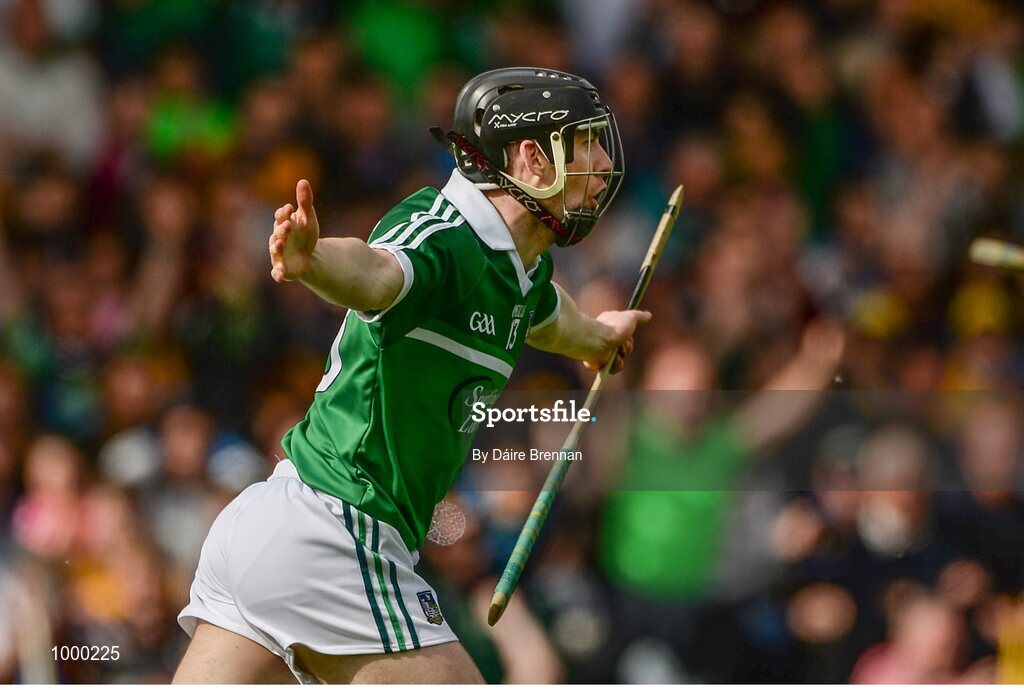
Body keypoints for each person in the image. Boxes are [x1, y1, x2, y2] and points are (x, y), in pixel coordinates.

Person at [173, 67, 648, 683]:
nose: (604, 165)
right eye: (585, 144)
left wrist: (599, 338)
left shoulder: (519, 270)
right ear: (531, 157)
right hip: (338, 534)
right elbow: (377, 272)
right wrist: (312, 260)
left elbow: (547, 316)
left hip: (271, 528)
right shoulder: (447, 235)